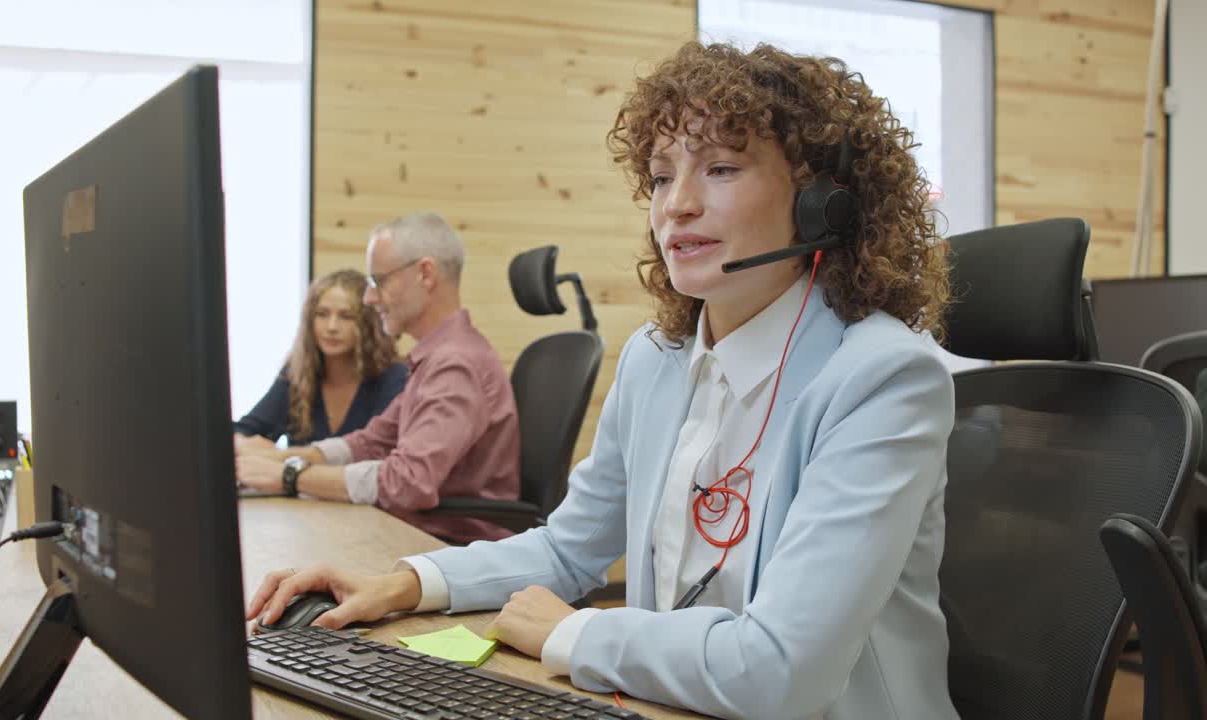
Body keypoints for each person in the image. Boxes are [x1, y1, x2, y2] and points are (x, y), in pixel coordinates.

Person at [246, 42, 959, 719]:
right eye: (659, 175)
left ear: (821, 202)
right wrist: (401, 583)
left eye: (720, 169)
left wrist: (574, 635)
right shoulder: (657, 359)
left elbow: (784, 668)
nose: (674, 204)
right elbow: (567, 548)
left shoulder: (883, 378)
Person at [236, 214, 521, 544]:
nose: (370, 298)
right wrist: (283, 458)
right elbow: (371, 442)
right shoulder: (435, 359)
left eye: (379, 281)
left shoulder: (455, 365)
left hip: (446, 548)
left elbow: (408, 483)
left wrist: (291, 476)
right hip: (414, 536)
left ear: (425, 274)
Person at [234, 269, 407, 445]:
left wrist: (284, 460)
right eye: (322, 314)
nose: (331, 327)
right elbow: (244, 431)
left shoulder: (394, 378)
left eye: (346, 317)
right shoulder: (296, 374)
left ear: (369, 324)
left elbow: (375, 452)